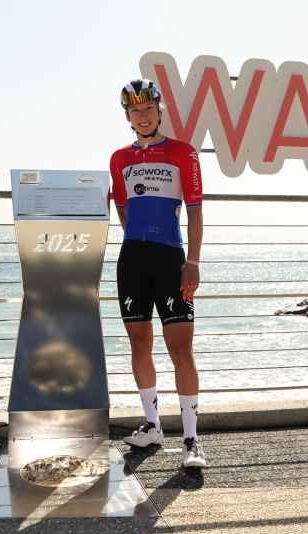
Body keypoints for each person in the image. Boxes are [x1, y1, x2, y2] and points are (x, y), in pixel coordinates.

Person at [110, 79, 207, 468]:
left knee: (181, 348)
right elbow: (122, 206)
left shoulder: (184, 152)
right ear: (128, 117)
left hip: (171, 259)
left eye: (149, 109)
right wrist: (136, 240)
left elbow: (196, 209)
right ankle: (152, 426)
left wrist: (194, 261)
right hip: (133, 259)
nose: (143, 116)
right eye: (135, 111)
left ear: (160, 111)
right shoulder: (119, 158)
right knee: (139, 345)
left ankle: (191, 441)